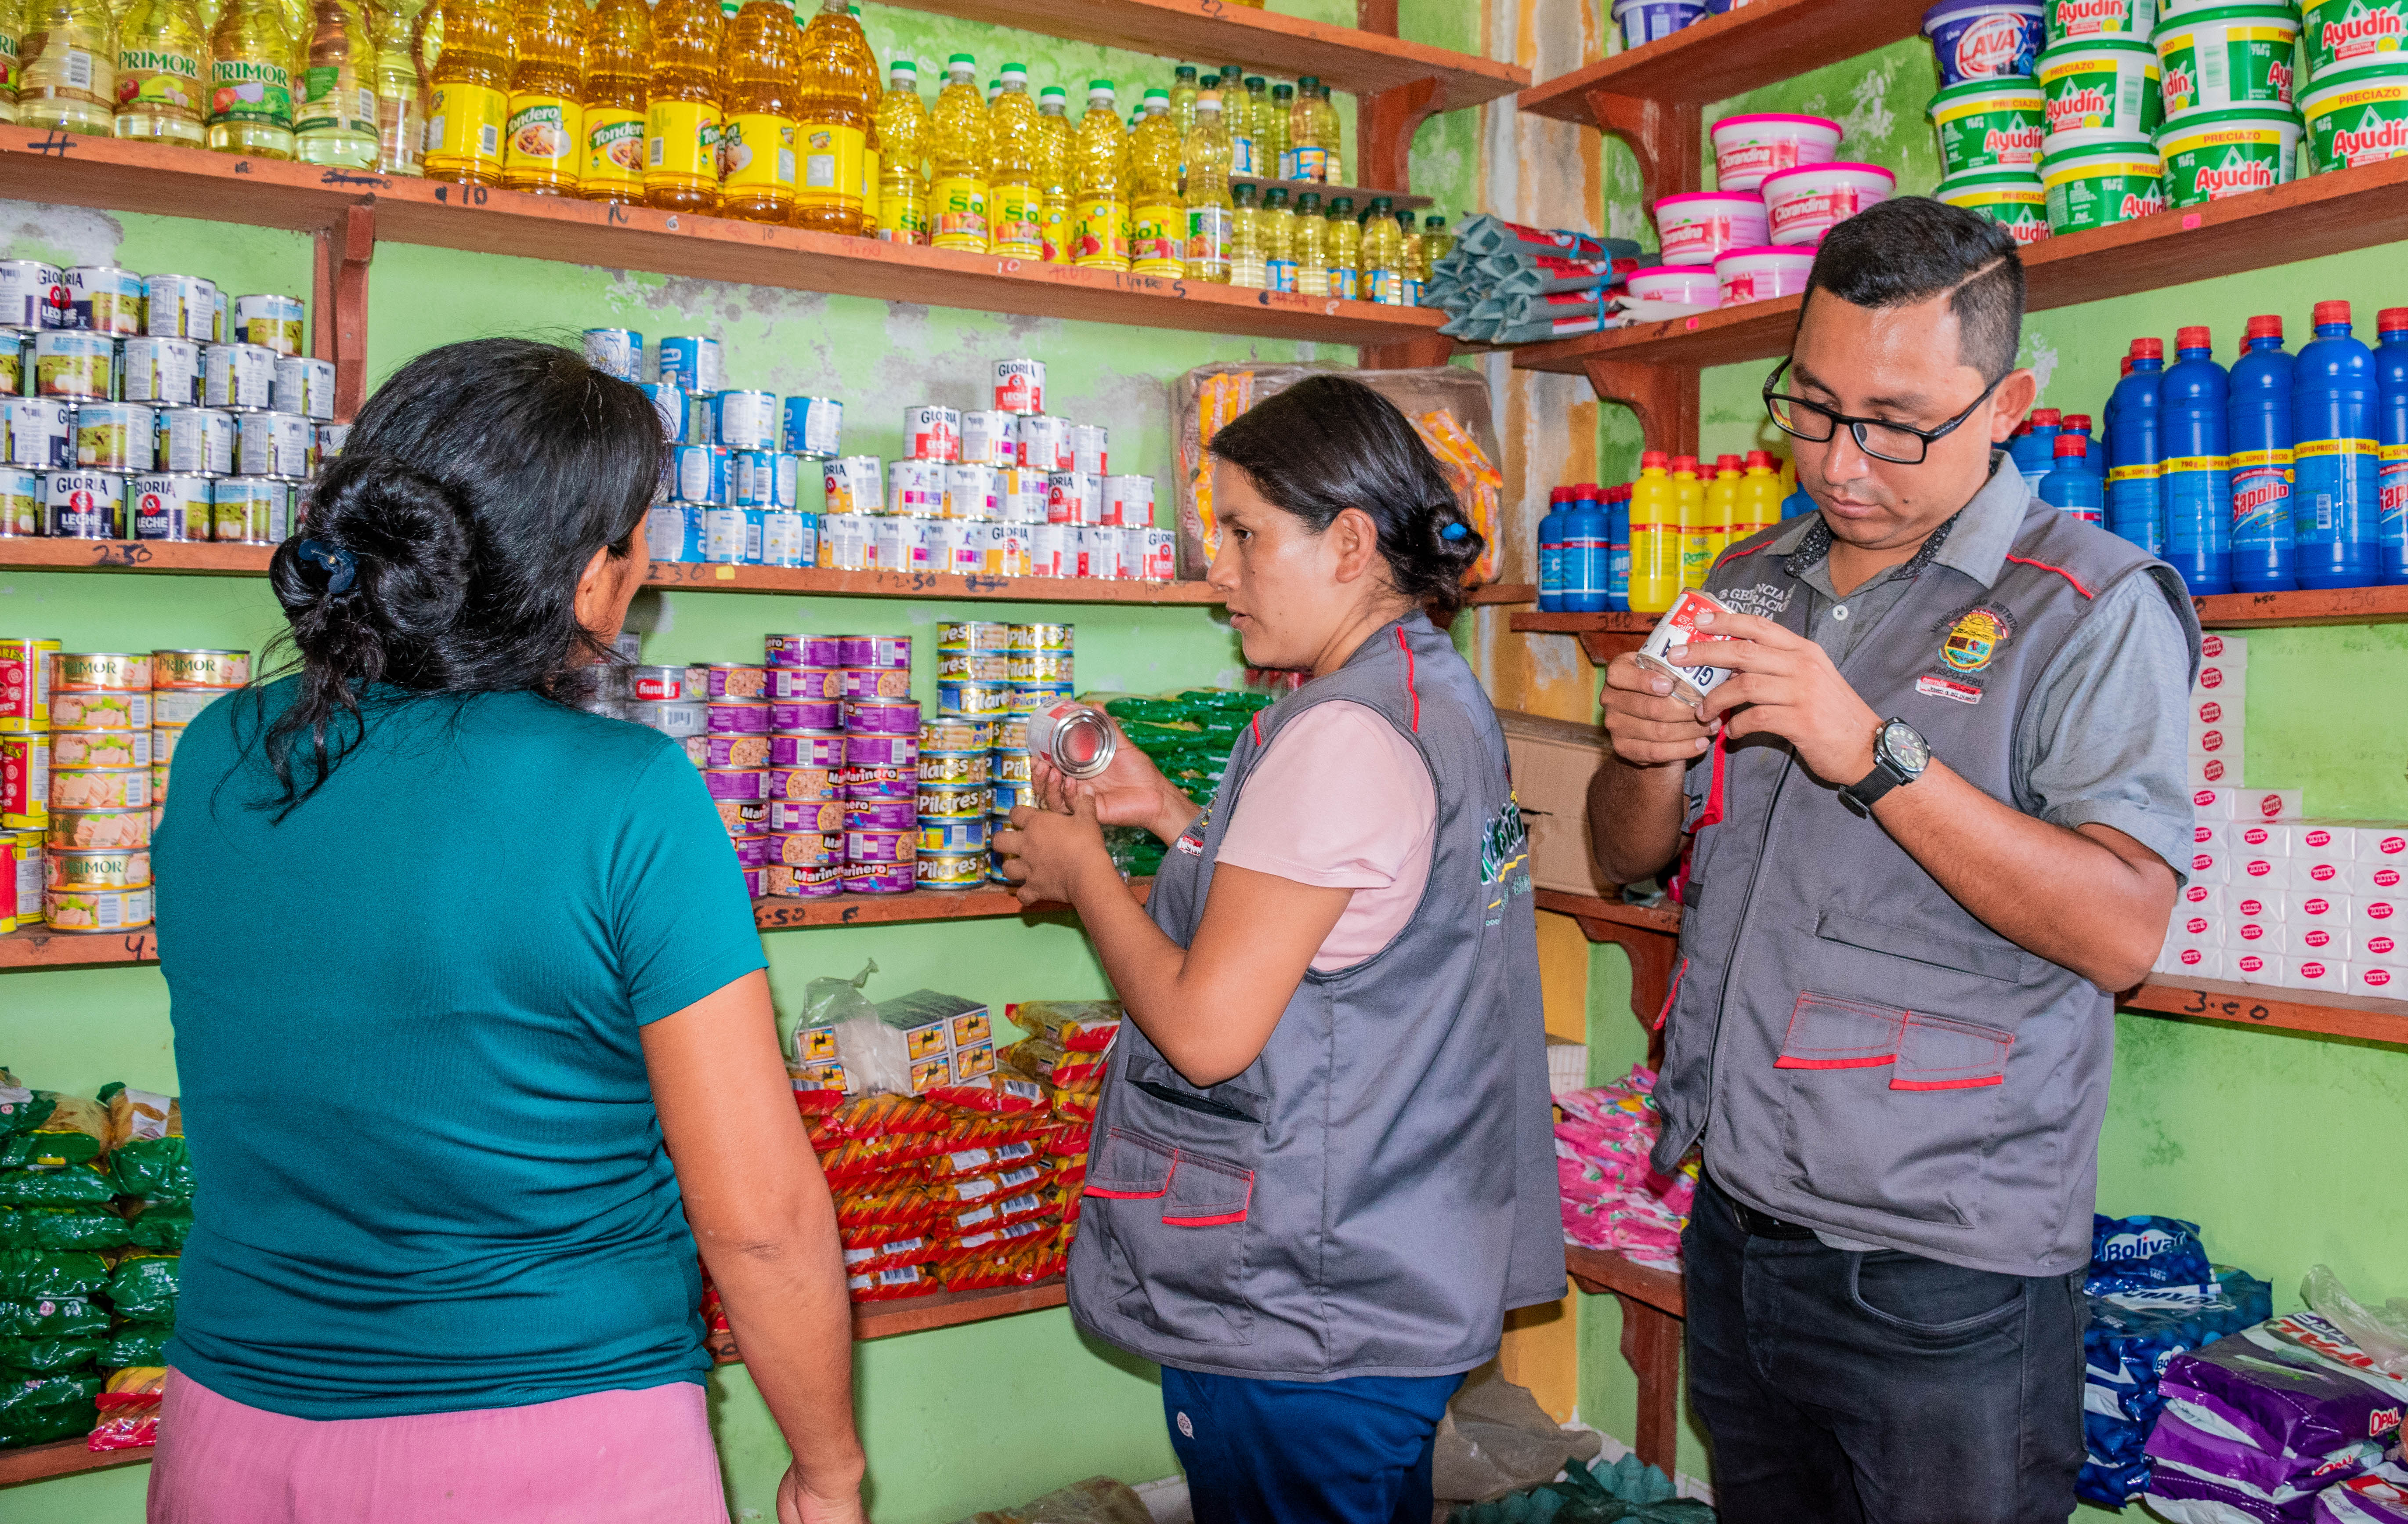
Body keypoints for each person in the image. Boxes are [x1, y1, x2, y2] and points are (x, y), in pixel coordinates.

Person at [150, 340, 868, 1524]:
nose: (652, 563)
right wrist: (829, 1470)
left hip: (230, 1430)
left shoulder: (220, 753)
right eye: (639, 533)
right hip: (551, 1444)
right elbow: (760, 1226)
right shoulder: (625, 796)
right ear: (588, 577)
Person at [1587, 199, 2195, 1524]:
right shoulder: (1751, 580)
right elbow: (1626, 861)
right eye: (1810, 409)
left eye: (1896, 422)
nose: (1843, 461)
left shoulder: (2089, 604)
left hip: (1938, 1270)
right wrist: (1640, 756)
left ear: (2010, 401)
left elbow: (2122, 932)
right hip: (1740, 1218)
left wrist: (1874, 750)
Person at [994, 375, 1561, 1524]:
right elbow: (1352, 923)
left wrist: (1085, 877)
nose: (1221, 575)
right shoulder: (1428, 692)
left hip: (1306, 1301)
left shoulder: (1341, 732)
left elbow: (1207, 1031)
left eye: (1248, 536)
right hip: (1399, 1263)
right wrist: (1172, 824)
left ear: (1350, 542)